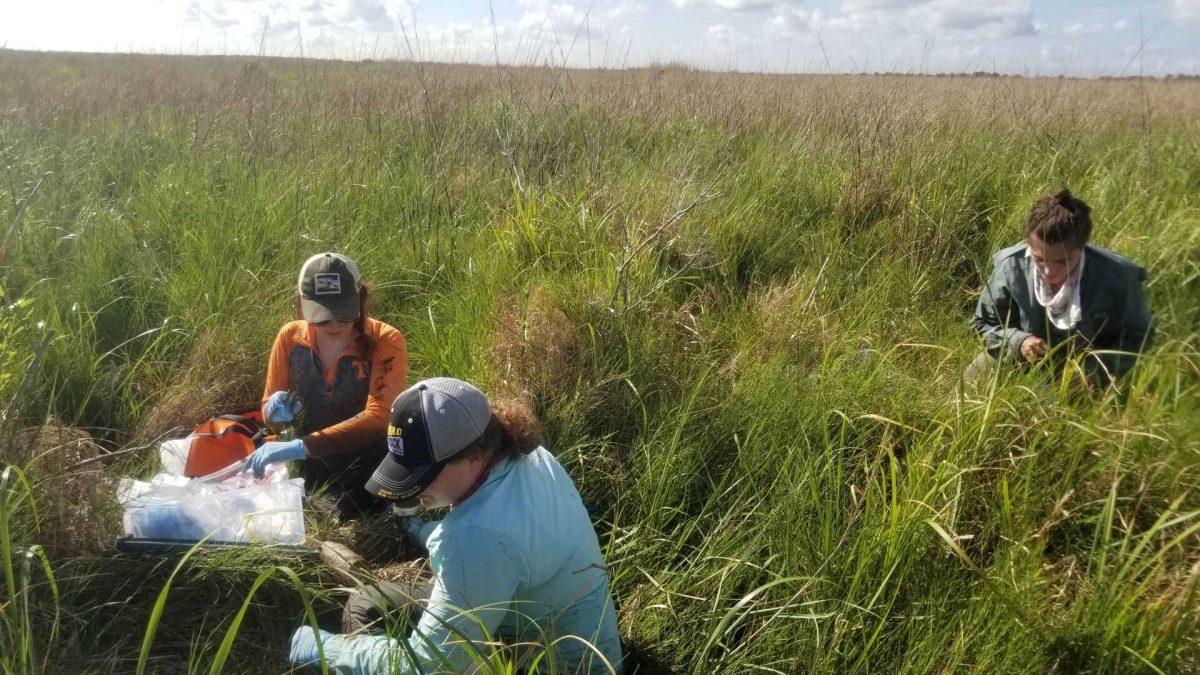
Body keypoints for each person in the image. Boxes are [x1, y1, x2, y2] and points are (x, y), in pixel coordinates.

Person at [287, 377, 623, 674]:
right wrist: (420, 530)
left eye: (423, 476)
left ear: (472, 456)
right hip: (541, 621)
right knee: (369, 600)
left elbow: (424, 665)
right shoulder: (525, 455)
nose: (414, 490)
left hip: (547, 663)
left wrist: (324, 649)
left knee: (366, 620)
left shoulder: (479, 540)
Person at [242, 252, 408, 519]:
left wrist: (301, 447)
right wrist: (274, 413)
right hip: (306, 457)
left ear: (360, 300)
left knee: (351, 510)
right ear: (300, 304)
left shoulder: (385, 340)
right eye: (320, 316)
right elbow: (269, 413)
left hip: (363, 458)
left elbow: (379, 418)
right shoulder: (290, 337)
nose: (333, 324)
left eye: (343, 315)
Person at [969, 189, 1153, 390]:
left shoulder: (1117, 277)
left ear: (1081, 248)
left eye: (1062, 261)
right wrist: (1019, 342)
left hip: (1088, 372)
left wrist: (1091, 371)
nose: (1049, 272)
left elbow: (1140, 338)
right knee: (976, 377)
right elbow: (983, 323)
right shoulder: (1011, 268)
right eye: (1039, 259)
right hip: (1021, 361)